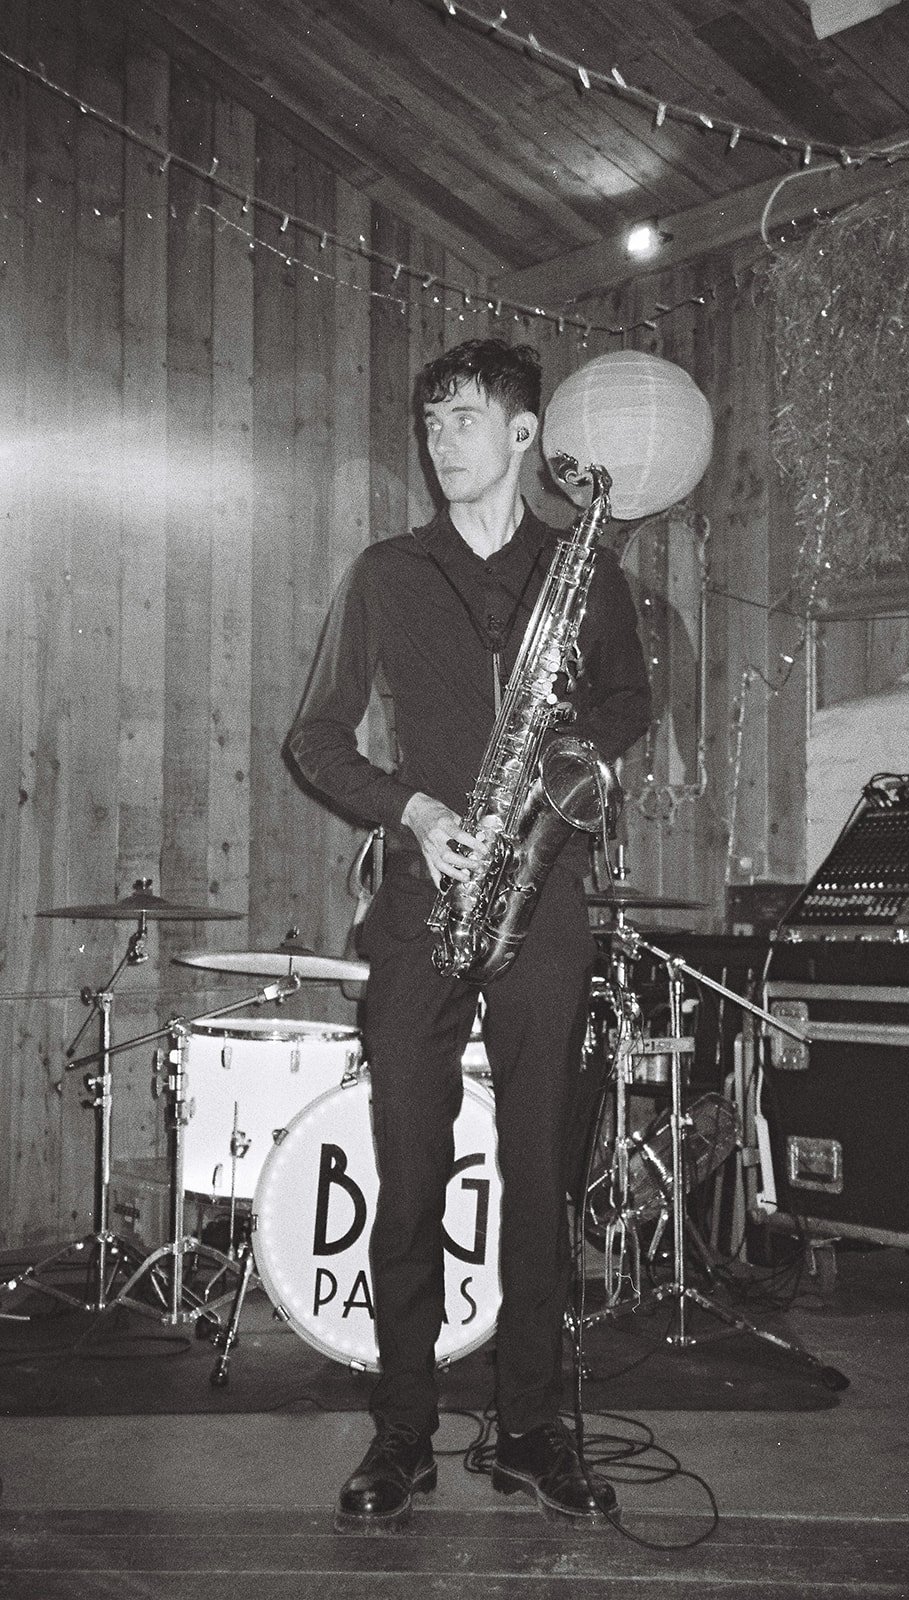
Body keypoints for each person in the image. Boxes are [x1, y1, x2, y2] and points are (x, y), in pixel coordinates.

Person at [287, 337, 651, 1529]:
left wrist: (562, 770)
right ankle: (402, 1433)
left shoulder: (578, 570)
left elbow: (625, 701)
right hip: (418, 900)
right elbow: (317, 738)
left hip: (541, 898)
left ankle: (533, 1427)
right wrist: (416, 809)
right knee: (409, 1170)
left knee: (542, 1173)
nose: (438, 439)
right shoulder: (385, 573)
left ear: (522, 434)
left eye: (461, 417)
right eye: (428, 419)